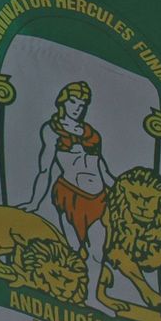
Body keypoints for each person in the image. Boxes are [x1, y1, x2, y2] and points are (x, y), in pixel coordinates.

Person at [21, 81, 117, 257]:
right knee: (73, 250)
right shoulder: (52, 130)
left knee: (98, 254)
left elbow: (102, 168)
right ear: (63, 101)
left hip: (99, 197)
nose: (77, 108)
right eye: (73, 102)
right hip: (70, 195)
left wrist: (120, 189)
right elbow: (45, 169)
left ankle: (94, 284)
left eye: (82, 105)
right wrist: (35, 202)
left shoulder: (92, 133)